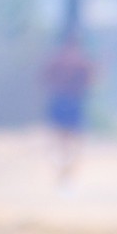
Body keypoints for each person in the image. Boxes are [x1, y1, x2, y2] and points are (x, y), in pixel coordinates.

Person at [39, 29, 97, 183]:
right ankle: (65, 171)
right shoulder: (81, 61)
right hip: (71, 101)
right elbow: (91, 81)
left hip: (62, 100)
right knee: (70, 140)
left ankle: (63, 170)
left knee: (61, 139)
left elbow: (45, 79)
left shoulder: (57, 60)